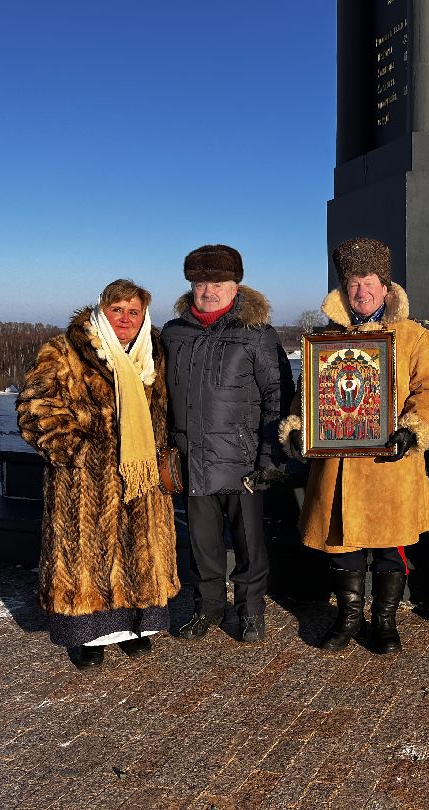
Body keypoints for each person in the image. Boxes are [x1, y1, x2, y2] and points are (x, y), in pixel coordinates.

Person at [281, 237, 429, 655]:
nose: (362, 291)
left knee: (391, 544)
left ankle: (385, 621)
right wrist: (300, 426)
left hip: (391, 460)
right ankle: (349, 617)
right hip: (338, 462)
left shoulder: (411, 336)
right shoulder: (325, 338)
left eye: (369, 281)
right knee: (343, 541)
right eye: (354, 283)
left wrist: (413, 427)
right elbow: (307, 393)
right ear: (343, 289)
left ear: (386, 288)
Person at [17, 279, 179, 669]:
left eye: (133, 311)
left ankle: (133, 630)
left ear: (144, 316)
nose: (125, 318)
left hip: (141, 479)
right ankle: (85, 638)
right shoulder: (63, 350)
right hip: (84, 481)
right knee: (84, 561)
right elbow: (33, 405)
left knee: (136, 555)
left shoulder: (154, 353)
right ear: (101, 311)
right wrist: (72, 450)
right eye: (117, 310)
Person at [161, 244, 293, 644]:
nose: (209, 290)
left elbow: (279, 395)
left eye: (218, 282)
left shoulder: (257, 335)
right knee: (201, 545)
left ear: (236, 285)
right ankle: (208, 607)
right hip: (193, 458)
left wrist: (270, 455)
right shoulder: (173, 333)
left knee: (250, 544)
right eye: (201, 283)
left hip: (243, 461)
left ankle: (250, 611)